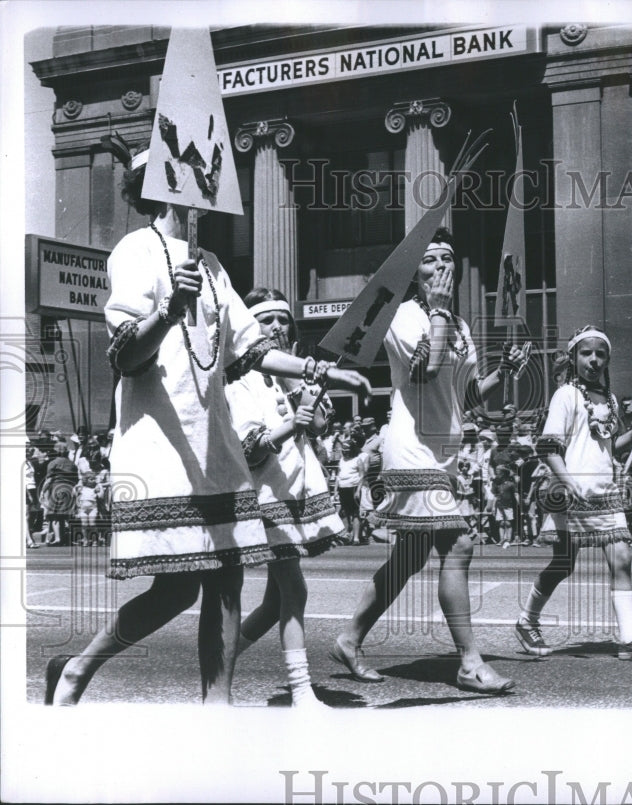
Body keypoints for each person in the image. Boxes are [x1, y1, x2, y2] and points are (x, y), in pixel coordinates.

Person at [45, 146, 370, 706]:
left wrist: (323, 368)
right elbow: (124, 355)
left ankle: (215, 709)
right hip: (161, 444)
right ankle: (75, 670)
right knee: (174, 590)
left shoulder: (214, 264)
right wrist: (169, 310)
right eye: (200, 173)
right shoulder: (135, 250)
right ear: (165, 182)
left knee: (228, 576)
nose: (212, 183)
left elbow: (251, 350)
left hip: (215, 443)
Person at [329, 228, 525, 693]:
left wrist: (506, 370)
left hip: (446, 450)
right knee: (459, 546)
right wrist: (437, 311)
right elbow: (425, 370)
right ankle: (469, 662)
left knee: (410, 557)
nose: (442, 267)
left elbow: (468, 395)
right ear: (415, 273)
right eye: (431, 260)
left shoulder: (458, 326)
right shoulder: (404, 316)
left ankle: (349, 639)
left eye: (448, 259)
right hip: (411, 445)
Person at [225, 287, 349, 708]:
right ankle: (301, 690)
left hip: (296, 487)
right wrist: (294, 423)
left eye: (283, 320)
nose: (277, 327)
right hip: (265, 495)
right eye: (267, 320)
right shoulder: (240, 377)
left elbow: (318, 430)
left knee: (275, 600)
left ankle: (214, 665)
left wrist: (306, 399)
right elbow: (248, 448)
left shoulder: (288, 374)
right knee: (294, 591)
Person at [513, 325, 632, 661]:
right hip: (572, 492)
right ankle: (527, 620)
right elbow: (548, 448)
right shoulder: (566, 395)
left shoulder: (609, 399)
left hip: (605, 493)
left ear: (608, 359)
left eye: (600, 354)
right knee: (564, 563)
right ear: (573, 358)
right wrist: (569, 482)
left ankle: (628, 641)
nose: (593, 360)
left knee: (622, 559)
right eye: (586, 353)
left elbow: (610, 450)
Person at [39, 442, 78, 547]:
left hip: (56, 488)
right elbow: (76, 478)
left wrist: (43, 491)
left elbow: (49, 479)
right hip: (69, 489)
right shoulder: (72, 464)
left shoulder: (53, 463)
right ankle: (70, 537)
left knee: (55, 515)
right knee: (67, 515)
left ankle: (58, 538)